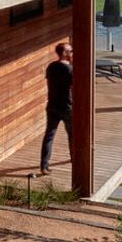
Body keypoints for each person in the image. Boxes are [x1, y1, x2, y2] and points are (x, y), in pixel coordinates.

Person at [40, 42, 73, 174]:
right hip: (67, 107)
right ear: (64, 53)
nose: (72, 53)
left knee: (49, 135)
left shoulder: (51, 67)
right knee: (72, 135)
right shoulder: (70, 70)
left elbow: (49, 84)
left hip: (52, 106)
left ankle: (44, 165)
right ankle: (74, 158)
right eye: (70, 51)